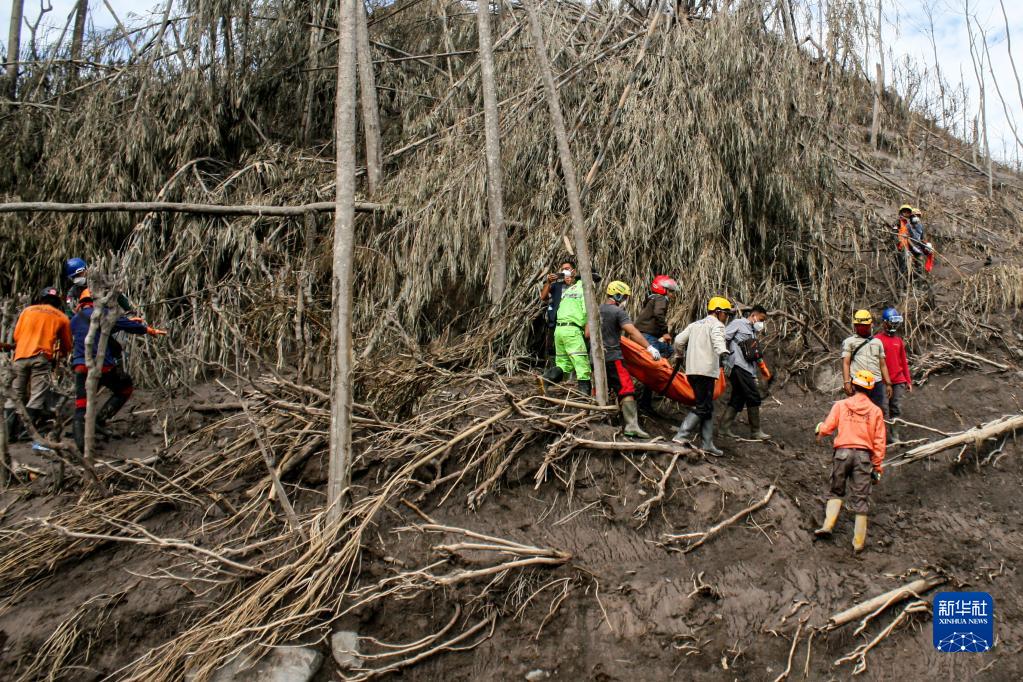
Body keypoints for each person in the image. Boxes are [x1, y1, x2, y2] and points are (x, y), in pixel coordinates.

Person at [70, 289, 165, 452]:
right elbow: (125, 325)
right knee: (125, 387)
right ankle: (100, 421)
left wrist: (123, 321)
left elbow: (99, 330)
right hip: (102, 366)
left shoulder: (74, 319)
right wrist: (147, 330)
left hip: (80, 366)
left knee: (81, 405)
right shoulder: (102, 312)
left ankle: (80, 446)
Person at [813, 369, 886, 553]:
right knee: (861, 499)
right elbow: (879, 442)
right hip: (863, 457)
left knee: (836, 490)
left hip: (842, 453)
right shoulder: (875, 411)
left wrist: (819, 429)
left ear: (853, 385)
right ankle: (858, 543)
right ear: (870, 389)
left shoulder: (841, 405)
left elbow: (828, 428)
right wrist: (877, 467)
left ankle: (827, 526)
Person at [3, 287, 73, 440]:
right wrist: (60, 355)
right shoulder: (61, 317)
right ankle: (24, 431)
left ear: (40, 299)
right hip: (41, 358)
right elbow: (67, 345)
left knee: (15, 394)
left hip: (20, 356)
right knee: (37, 395)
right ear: (57, 302)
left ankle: (9, 433)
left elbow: (16, 335)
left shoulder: (27, 311)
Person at [671, 296, 731, 455]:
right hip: (706, 372)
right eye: (726, 313)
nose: (727, 317)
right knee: (703, 406)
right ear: (718, 312)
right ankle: (681, 436)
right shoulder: (717, 325)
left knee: (707, 406)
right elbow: (718, 341)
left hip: (692, 371)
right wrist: (723, 352)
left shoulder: (694, 325)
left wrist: (679, 355)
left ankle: (707, 443)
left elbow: (678, 340)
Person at [601, 281, 661, 438]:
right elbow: (632, 331)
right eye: (625, 297)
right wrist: (649, 347)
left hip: (597, 359)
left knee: (601, 387)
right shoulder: (618, 312)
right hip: (614, 357)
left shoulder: (596, 310)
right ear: (618, 295)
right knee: (627, 388)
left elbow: (587, 334)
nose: (626, 300)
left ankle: (599, 421)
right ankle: (631, 426)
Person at [720, 305, 771, 440]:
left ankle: (723, 429)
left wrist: (759, 371)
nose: (762, 323)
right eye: (761, 319)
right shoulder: (738, 323)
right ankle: (756, 431)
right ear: (754, 314)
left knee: (738, 398)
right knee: (753, 396)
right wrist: (725, 358)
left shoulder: (752, 332)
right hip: (737, 366)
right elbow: (723, 337)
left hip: (747, 369)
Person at [541, 264, 592, 397]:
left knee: (563, 365)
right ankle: (584, 398)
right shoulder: (584, 291)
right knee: (582, 364)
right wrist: (588, 330)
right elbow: (588, 312)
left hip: (559, 330)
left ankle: (546, 379)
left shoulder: (569, 290)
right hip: (572, 331)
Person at [875, 307, 912, 442]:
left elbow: (903, 361)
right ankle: (881, 438)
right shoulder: (877, 340)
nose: (894, 325)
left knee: (896, 407)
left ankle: (894, 436)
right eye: (891, 322)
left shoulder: (899, 341)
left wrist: (908, 381)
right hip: (882, 381)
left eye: (896, 322)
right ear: (885, 323)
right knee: (882, 408)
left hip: (898, 380)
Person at [841, 310, 891, 409]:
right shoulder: (849, 342)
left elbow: (883, 365)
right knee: (858, 411)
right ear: (855, 326)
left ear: (870, 325)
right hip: (858, 383)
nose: (861, 328)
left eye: (864, 326)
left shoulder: (878, 342)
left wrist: (888, 384)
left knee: (877, 410)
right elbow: (846, 363)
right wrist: (846, 382)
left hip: (876, 383)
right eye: (859, 325)